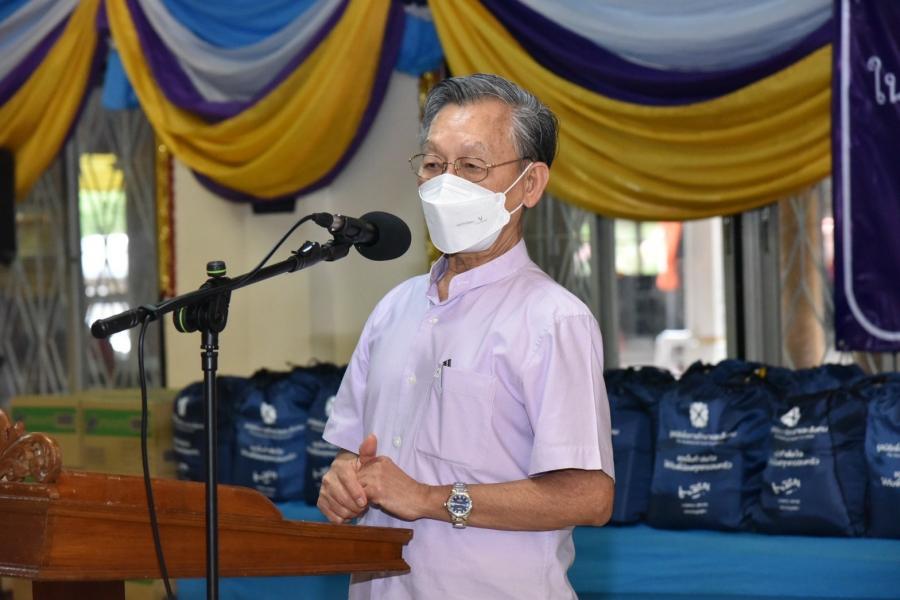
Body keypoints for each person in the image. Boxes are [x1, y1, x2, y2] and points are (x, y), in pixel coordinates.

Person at [319, 73, 615, 600]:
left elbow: (588, 496)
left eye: (472, 166)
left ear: (530, 184)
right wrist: (342, 480)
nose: (445, 184)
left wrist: (429, 498)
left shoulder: (553, 320)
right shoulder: (393, 308)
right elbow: (351, 453)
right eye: (434, 165)